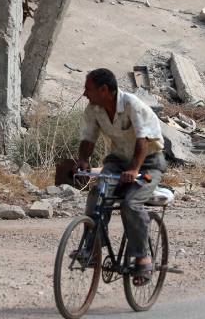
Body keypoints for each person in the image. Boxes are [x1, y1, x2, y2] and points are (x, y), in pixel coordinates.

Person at [76, 68, 166, 285]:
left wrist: (135, 170)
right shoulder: (93, 109)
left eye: (88, 89)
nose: (84, 93)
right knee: (98, 192)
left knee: (131, 203)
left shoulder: (131, 104)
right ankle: (91, 247)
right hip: (117, 163)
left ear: (104, 90)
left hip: (148, 167)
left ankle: (142, 257)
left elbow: (142, 140)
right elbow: (89, 138)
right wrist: (83, 162)